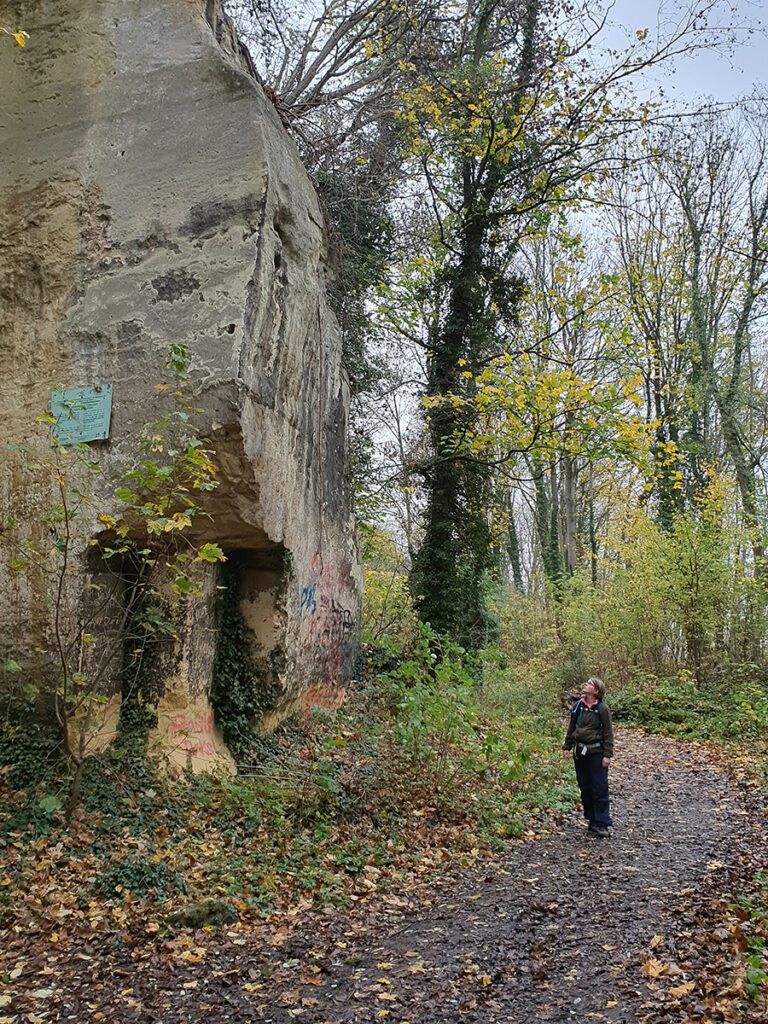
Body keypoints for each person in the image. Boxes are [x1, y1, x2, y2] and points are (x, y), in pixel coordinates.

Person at [562, 676, 614, 837]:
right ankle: (592, 820)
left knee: (599, 787)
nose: (586, 684)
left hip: (596, 752)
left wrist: (607, 755)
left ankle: (602, 823)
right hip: (580, 752)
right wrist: (567, 747)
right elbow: (572, 727)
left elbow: (608, 733)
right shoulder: (578, 706)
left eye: (590, 684)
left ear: (596, 691)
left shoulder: (602, 709)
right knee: (585, 787)